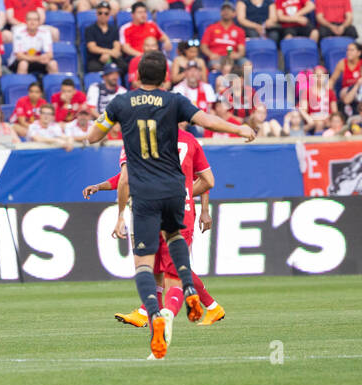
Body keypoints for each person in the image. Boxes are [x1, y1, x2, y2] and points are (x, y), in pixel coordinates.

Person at [85, 50, 254, 358]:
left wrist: (102, 120)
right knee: (175, 239)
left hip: (144, 191)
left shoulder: (120, 103)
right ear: (165, 77)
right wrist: (239, 128)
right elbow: (208, 121)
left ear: (136, 76)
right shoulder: (174, 101)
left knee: (145, 265)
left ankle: (154, 314)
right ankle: (189, 290)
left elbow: (93, 135)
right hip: (176, 189)